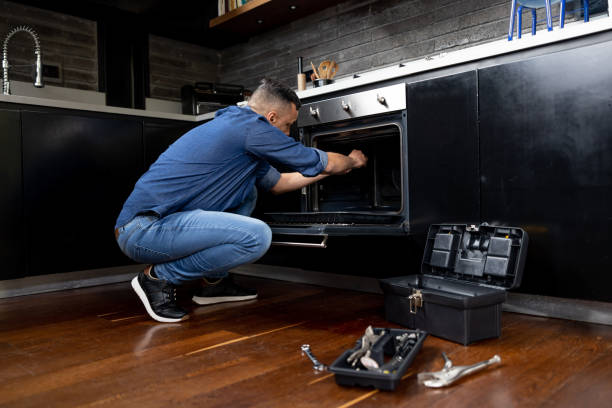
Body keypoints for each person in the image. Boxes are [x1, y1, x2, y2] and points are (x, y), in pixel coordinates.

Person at [114, 78, 367, 323]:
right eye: (289, 125)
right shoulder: (251, 128)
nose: (289, 134)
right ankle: (158, 279)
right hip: (143, 232)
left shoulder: (240, 132)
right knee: (257, 236)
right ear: (271, 118)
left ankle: (215, 283)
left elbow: (279, 183)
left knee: (248, 191)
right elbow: (324, 160)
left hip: (156, 229)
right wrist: (352, 161)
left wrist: (324, 173)